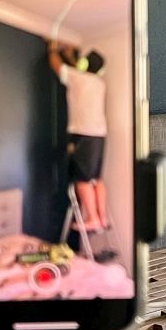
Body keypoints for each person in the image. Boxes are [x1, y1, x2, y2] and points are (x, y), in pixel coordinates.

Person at [47, 41, 109, 232]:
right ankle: (102, 218)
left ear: (85, 65)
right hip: (99, 134)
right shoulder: (99, 83)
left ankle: (92, 218)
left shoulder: (77, 78)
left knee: (82, 179)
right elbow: (76, 69)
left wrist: (52, 48)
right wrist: (70, 54)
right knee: (96, 178)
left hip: (83, 134)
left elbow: (56, 65)